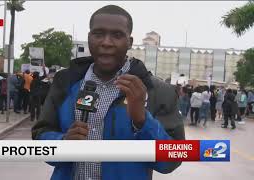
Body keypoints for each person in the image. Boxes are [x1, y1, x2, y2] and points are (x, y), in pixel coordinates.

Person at [32, 5, 184, 180]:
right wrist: (62, 144)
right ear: (89, 38)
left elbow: (172, 160)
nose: (106, 42)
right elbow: (41, 135)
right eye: (98, 34)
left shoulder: (158, 91)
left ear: (130, 41)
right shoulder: (64, 81)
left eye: (117, 35)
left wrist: (142, 121)